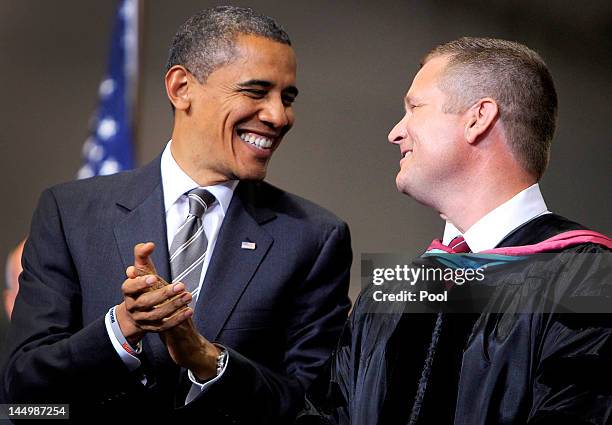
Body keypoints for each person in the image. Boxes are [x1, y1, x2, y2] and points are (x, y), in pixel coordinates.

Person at [1, 6, 351, 423]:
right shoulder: (70, 213)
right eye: (256, 92)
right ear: (182, 87)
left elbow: (314, 409)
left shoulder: (314, 238)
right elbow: (22, 387)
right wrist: (122, 326)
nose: (279, 116)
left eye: (287, 98)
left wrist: (209, 361)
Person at [298, 38, 611, 425]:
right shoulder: (391, 289)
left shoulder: (588, 278)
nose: (395, 132)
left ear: (478, 118)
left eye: (414, 107)